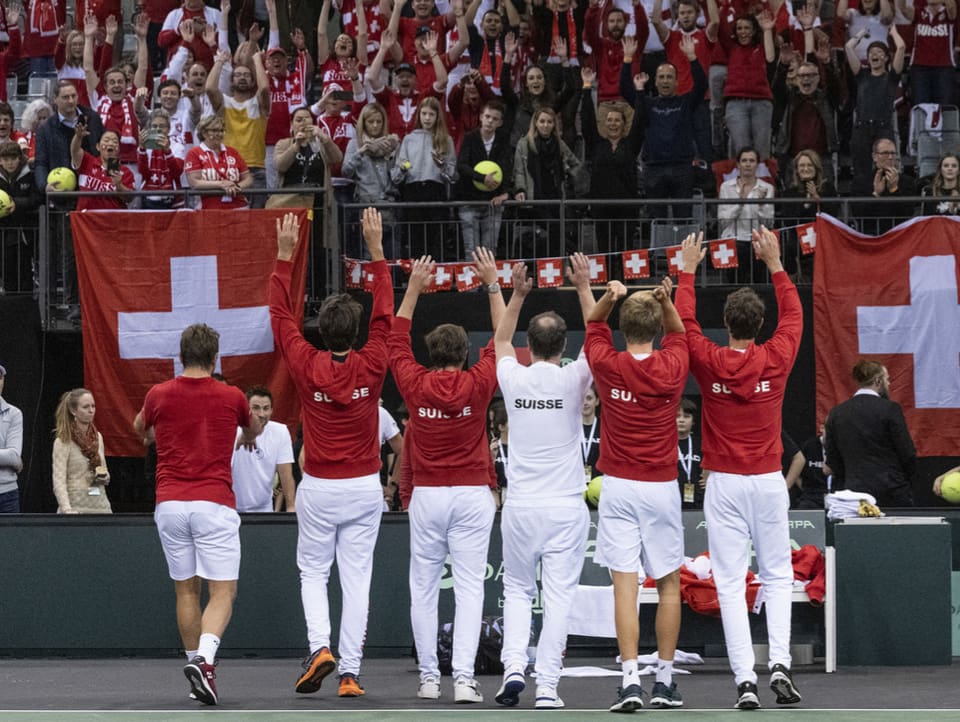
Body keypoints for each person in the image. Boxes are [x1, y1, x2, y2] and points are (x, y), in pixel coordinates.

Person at [676, 227, 803, 710]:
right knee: (776, 576)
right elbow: (794, 316)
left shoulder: (708, 359)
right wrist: (775, 263)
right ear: (760, 323)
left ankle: (745, 679)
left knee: (730, 582)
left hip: (724, 483)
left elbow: (685, 324)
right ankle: (781, 667)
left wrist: (688, 270)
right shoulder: (777, 355)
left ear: (726, 324)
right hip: (769, 482)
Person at [269, 208, 391, 698]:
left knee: (313, 573)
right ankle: (349, 673)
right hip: (363, 488)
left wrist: (284, 257)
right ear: (355, 330)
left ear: (320, 329)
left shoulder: (304, 361)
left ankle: (320, 646)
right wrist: (377, 251)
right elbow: (385, 314)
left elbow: (280, 318)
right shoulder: (375, 358)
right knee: (356, 581)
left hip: (318, 487)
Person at [388, 247, 505, 703]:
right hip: (473, 495)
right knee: (471, 587)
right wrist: (493, 283)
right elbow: (502, 332)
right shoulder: (479, 382)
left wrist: (414, 287)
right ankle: (464, 680)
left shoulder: (415, 385)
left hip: (429, 498)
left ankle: (429, 678)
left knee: (424, 587)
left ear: (431, 352)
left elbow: (397, 340)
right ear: (465, 353)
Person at [134, 323, 260, 706]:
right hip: (213, 504)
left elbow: (140, 429)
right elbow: (252, 429)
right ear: (215, 357)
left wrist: (165, 431)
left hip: (170, 505)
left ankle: (197, 673)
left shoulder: (159, 394)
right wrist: (245, 433)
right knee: (223, 590)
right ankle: (204, 661)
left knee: (185, 589)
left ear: (181, 354)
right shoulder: (233, 396)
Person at [492, 255, 594, 709]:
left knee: (516, 590)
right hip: (565, 509)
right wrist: (585, 286)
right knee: (558, 598)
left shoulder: (512, 375)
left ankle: (513, 667)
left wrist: (515, 295)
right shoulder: (575, 377)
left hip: (521, 507)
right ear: (563, 346)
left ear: (528, 347)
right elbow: (599, 338)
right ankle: (547, 687)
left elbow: (498, 339)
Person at [585, 274, 689, 712]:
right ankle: (663, 682)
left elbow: (593, 327)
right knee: (668, 586)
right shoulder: (673, 364)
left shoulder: (608, 364)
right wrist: (667, 302)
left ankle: (630, 681)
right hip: (661, 486)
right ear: (656, 329)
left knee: (624, 589)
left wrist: (609, 297)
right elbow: (680, 333)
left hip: (619, 487)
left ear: (625, 329)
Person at [620, 33, 706, 221]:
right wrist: (627, 60)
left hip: (682, 167)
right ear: (655, 81)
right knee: (656, 219)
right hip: (654, 169)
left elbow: (701, 85)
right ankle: (658, 252)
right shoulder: (647, 104)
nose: (665, 81)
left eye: (669, 77)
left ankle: (686, 251)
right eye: (661, 77)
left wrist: (692, 57)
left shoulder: (686, 102)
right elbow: (625, 90)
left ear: (676, 81)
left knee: (683, 218)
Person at [823, 359, 917, 507]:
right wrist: (902, 478)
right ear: (878, 381)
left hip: (854, 492)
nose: (889, 384)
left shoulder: (837, 413)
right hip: (891, 491)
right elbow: (906, 451)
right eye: (887, 379)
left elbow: (832, 457)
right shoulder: (890, 409)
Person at [579, 64, 643, 252]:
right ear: (604, 124)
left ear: (624, 125)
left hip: (627, 209)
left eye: (617, 120)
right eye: (609, 120)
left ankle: (625, 282)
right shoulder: (596, 144)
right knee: (604, 250)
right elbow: (587, 120)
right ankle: (605, 282)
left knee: (626, 250)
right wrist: (586, 86)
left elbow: (640, 122)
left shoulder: (630, 144)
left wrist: (639, 92)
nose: (613, 123)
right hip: (601, 208)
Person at [391, 95, 457, 259]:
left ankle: (437, 281)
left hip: (436, 191)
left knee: (436, 240)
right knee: (415, 239)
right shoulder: (409, 139)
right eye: (424, 114)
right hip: (413, 191)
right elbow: (396, 176)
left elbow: (453, 175)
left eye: (431, 114)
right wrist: (403, 169)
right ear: (419, 115)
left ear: (437, 117)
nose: (427, 118)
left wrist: (441, 165)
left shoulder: (445, 140)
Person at [205, 49, 271, 208]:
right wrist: (220, 61)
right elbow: (209, 89)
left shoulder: (258, 104)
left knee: (256, 220)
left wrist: (257, 60)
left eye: (247, 75)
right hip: (229, 168)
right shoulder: (224, 103)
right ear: (231, 81)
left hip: (255, 169)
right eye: (238, 75)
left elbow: (264, 89)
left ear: (253, 81)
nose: (242, 78)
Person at [512, 108, 581, 258]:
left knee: (555, 236)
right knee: (548, 233)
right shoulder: (524, 144)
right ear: (535, 123)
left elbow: (575, 164)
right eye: (542, 121)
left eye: (549, 122)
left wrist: (568, 173)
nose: (545, 125)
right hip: (534, 197)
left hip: (555, 196)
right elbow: (519, 171)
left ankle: (554, 271)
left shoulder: (559, 143)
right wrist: (520, 189)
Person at [844, 25, 904, 185]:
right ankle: (860, 205)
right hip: (862, 129)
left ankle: (885, 200)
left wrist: (893, 33)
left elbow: (901, 47)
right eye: (871, 52)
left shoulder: (891, 77)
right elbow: (848, 47)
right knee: (860, 172)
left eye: (879, 52)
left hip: (883, 128)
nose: (874, 55)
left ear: (886, 58)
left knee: (886, 168)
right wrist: (862, 33)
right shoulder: (861, 75)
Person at [341, 102, 399, 258]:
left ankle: (392, 281)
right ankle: (371, 282)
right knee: (370, 252)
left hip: (388, 203)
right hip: (366, 203)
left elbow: (397, 176)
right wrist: (361, 152)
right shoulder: (355, 143)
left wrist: (396, 161)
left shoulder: (391, 145)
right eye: (370, 122)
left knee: (391, 251)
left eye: (379, 122)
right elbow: (346, 170)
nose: (375, 126)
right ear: (363, 123)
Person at [456, 98, 512, 255]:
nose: (490, 121)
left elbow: (507, 168)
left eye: (494, 119)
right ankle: (472, 280)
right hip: (469, 200)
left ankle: (489, 280)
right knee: (471, 251)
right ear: (481, 117)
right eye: (487, 117)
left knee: (490, 251)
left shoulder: (503, 140)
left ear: (500, 122)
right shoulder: (469, 138)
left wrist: (506, 192)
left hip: (493, 203)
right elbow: (462, 166)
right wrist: (482, 178)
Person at [231, 386, 297, 513]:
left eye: (266, 408)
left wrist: (291, 506)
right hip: (230, 509)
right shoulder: (231, 429)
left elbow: (286, 475)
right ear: (246, 409)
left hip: (264, 509)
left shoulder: (281, 431)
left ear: (272, 410)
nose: (261, 414)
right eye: (256, 408)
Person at [719, 11, 775, 159]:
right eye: (739, 28)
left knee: (762, 149)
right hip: (736, 103)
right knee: (741, 149)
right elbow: (716, 24)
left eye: (747, 28)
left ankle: (763, 180)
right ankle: (741, 182)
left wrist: (767, 30)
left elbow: (770, 58)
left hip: (761, 101)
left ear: (754, 30)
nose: (743, 32)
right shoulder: (730, 47)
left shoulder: (761, 46)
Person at [52, 387, 112, 514]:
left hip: (100, 506)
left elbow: (105, 472)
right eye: (86, 407)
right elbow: (59, 481)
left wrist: (103, 476)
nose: (91, 410)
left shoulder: (98, 437)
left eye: (93, 406)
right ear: (74, 411)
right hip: (76, 506)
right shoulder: (63, 441)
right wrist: (67, 509)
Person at [718, 146, 775, 276]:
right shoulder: (726, 187)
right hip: (732, 240)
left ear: (757, 165)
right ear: (738, 164)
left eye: (751, 161)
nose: (748, 164)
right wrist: (740, 202)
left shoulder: (767, 188)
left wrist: (761, 204)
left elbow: (769, 223)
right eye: (744, 161)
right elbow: (723, 221)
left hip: (758, 242)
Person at [184, 115, 253, 209]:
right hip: (209, 209)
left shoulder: (232, 152)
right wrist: (221, 184)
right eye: (215, 130)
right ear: (204, 133)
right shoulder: (194, 153)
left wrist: (236, 186)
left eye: (221, 131)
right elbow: (194, 183)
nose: (219, 134)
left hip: (239, 207)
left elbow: (248, 178)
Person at [851, 137, 917, 234]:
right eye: (885, 153)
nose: (890, 157)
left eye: (893, 153)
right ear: (874, 156)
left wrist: (894, 190)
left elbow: (907, 214)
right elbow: (858, 213)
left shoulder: (908, 181)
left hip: (899, 236)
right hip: (871, 235)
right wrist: (876, 194)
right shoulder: (860, 181)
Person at [70, 126, 135, 210]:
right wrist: (78, 137)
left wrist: (119, 185)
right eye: (106, 140)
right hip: (87, 219)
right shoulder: (87, 161)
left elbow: (129, 198)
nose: (110, 143)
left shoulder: (126, 172)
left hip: (113, 220)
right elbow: (75, 151)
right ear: (98, 146)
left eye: (115, 142)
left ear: (118, 148)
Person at [137, 109, 186, 209]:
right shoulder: (146, 147)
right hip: (149, 199)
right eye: (154, 126)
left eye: (162, 126)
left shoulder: (178, 146)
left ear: (168, 129)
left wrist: (167, 151)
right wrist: (142, 149)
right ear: (150, 128)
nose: (158, 129)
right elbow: (144, 173)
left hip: (173, 199)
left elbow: (176, 172)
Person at [0, 363, 23, 513]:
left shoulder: (14, 413)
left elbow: (14, 456)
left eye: (0, 377)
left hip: (7, 495)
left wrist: (13, 458)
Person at [677, 397, 704, 510]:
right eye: (677, 416)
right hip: (671, 498)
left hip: (698, 501)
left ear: (693, 421)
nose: (681, 420)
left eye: (686, 416)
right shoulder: (664, 445)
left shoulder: (702, 445)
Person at [581, 385, 601, 479]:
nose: (585, 403)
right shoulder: (571, 428)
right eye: (582, 398)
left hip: (599, 484)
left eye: (589, 398)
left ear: (597, 401)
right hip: (575, 484)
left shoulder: (604, 428)